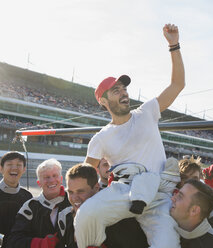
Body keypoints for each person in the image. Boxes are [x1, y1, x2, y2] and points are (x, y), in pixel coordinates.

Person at [76, 23, 185, 248]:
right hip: (125, 191)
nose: (124, 92)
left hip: (158, 194)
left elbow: (178, 84)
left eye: (124, 88)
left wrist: (173, 45)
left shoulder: (146, 111)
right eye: (116, 90)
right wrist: (79, 197)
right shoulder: (101, 137)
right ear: (104, 102)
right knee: (85, 215)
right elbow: (86, 175)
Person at [59, 163, 148, 248]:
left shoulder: (118, 219)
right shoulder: (66, 218)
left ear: (96, 188)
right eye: (70, 192)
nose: (75, 198)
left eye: (80, 191)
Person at [8, 158, 70, 248]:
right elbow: (14, 240)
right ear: (39, 183)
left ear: (61, 179)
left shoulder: (74, 201)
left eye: (55, 175)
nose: (51, 180)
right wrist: (40, 244)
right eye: (46, 177)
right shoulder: (30, 207)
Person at [170, 179, 213, 248]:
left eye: (180, 197)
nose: (172, 198)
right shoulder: (166, 220)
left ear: (194, 210)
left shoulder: (210, 244)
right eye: (176, 194)